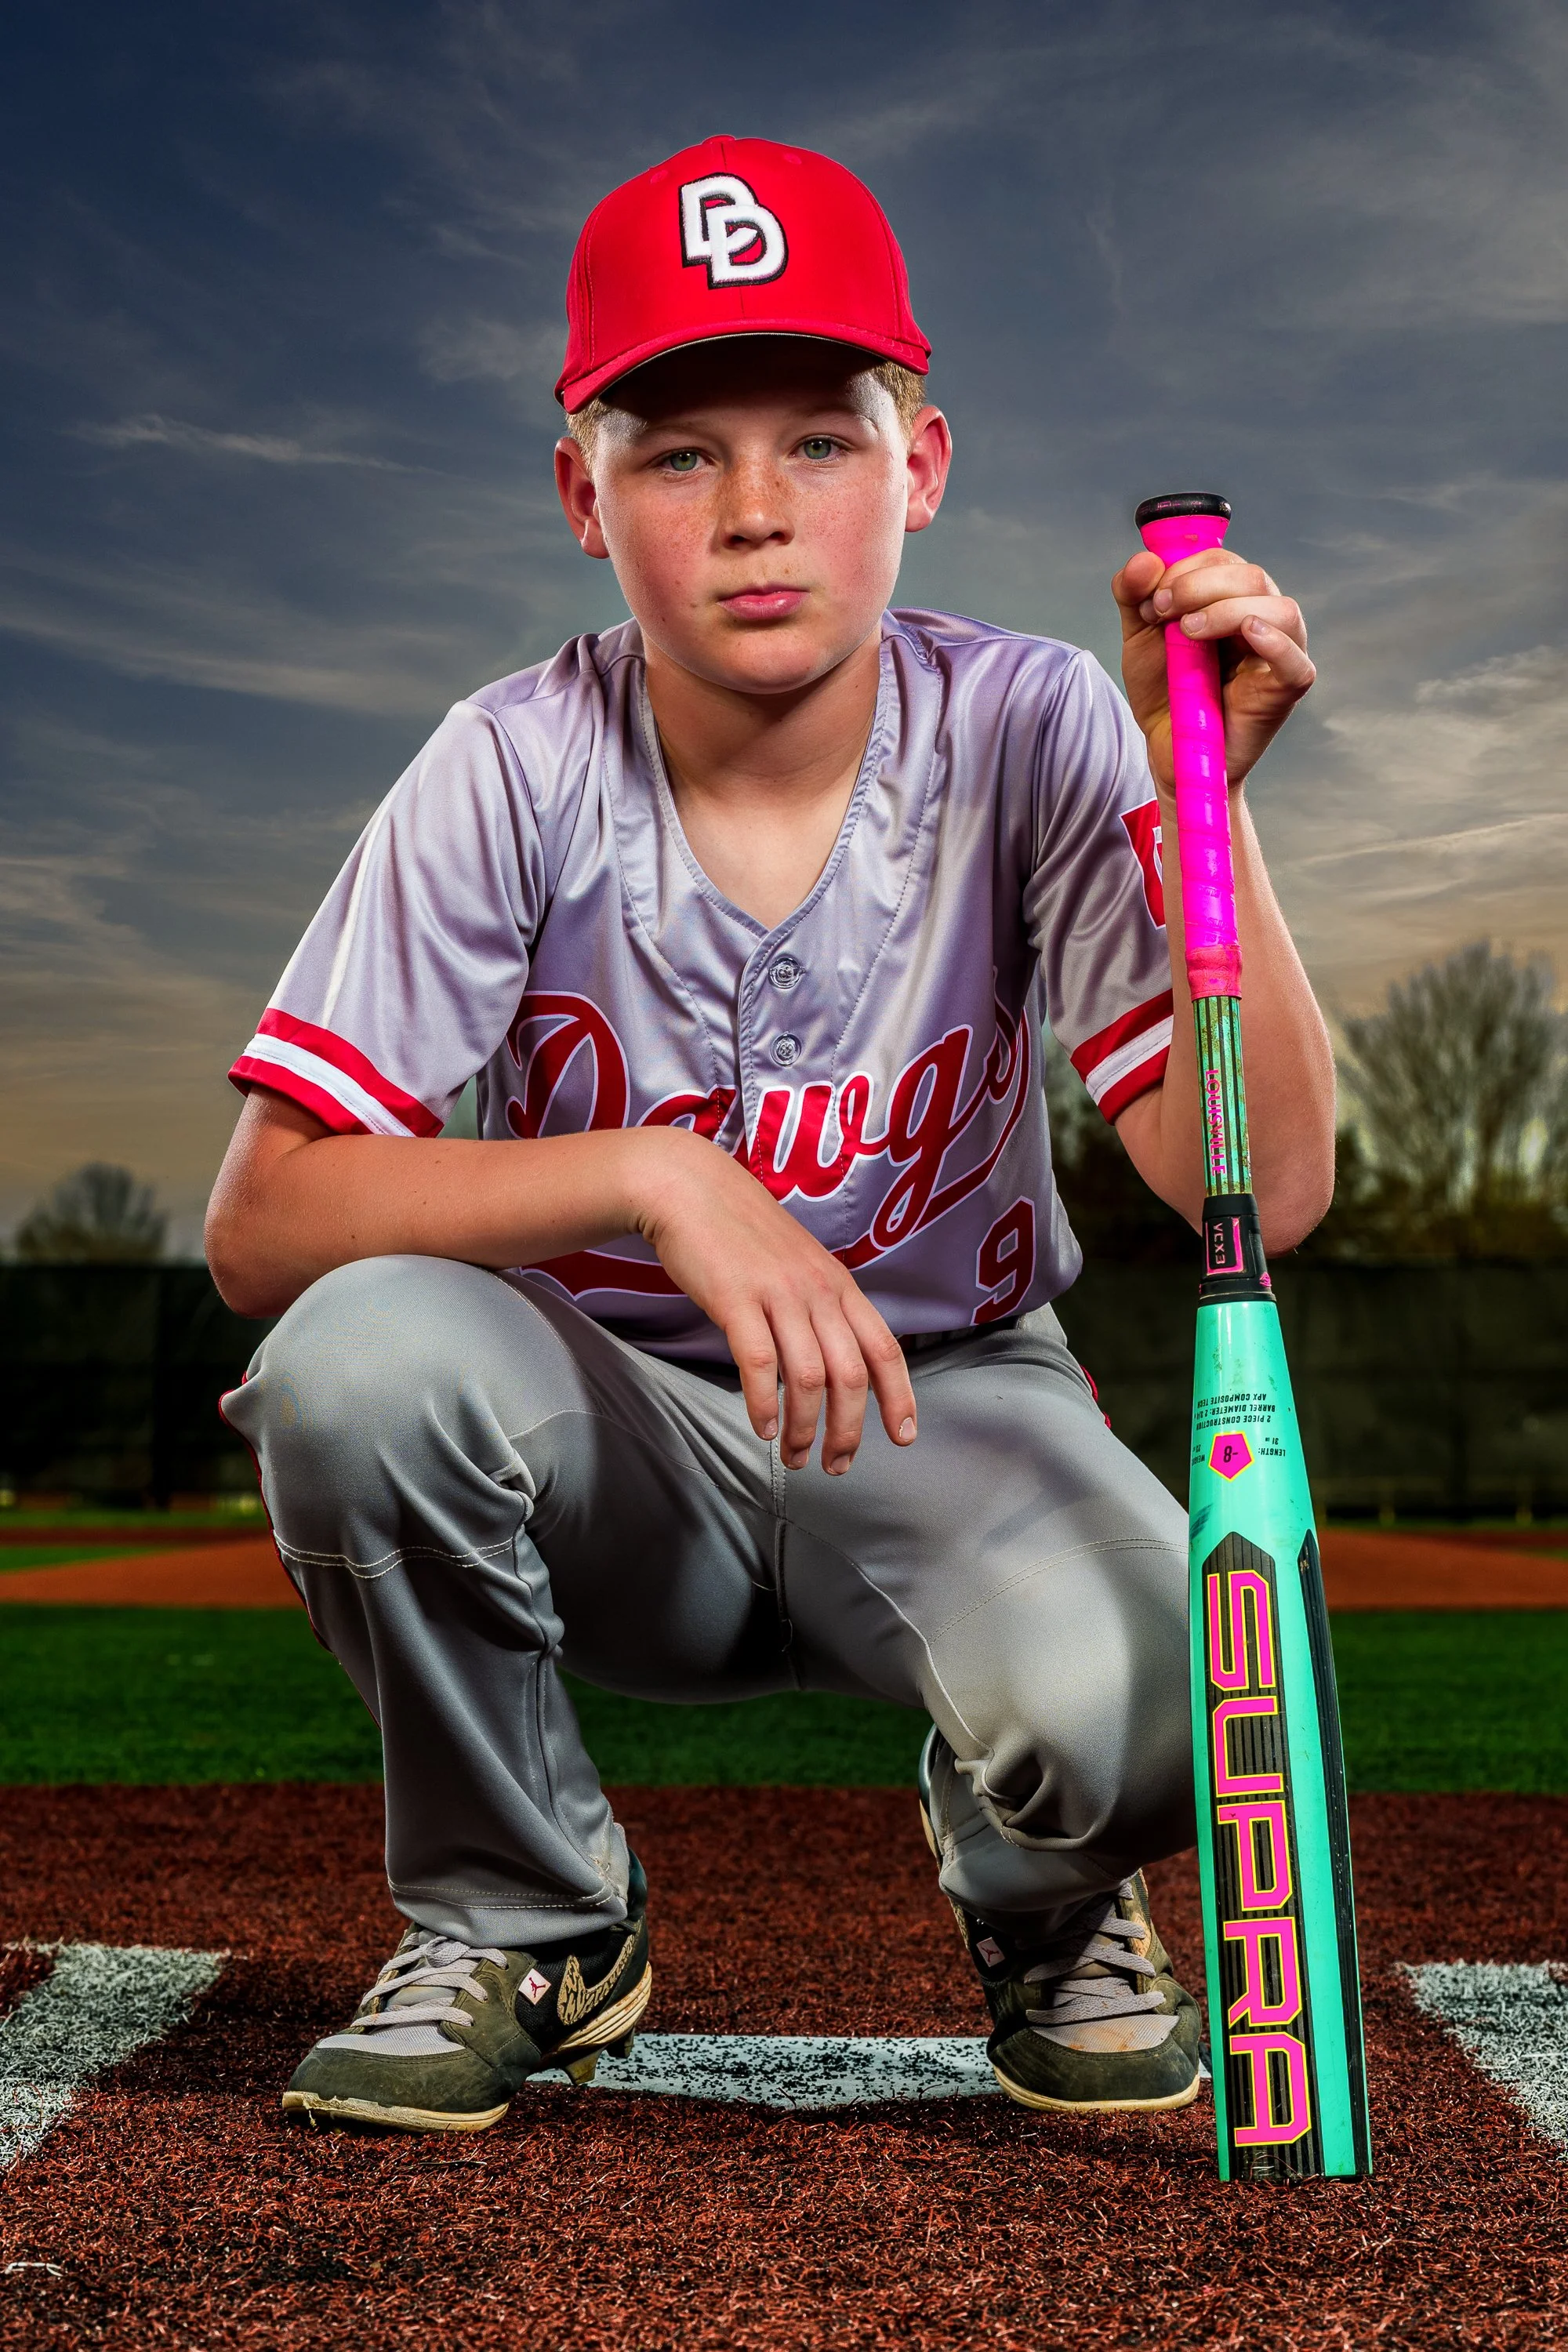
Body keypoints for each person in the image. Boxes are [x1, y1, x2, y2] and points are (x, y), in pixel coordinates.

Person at [208, 135, 1334, 2136]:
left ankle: (1041, 1879)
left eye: (819, 441)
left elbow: (1268, 1188)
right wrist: (656, 1169)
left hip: (954, 1405)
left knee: (1191, 1689)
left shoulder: (1035, 722)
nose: (752, 515)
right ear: (580, 493)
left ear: (921, 468)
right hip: (599, 1430)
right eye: (673, 453)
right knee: (349, 1362)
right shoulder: (510, 758)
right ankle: (530, 1914)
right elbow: (264, 1217)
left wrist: (1214, 815)